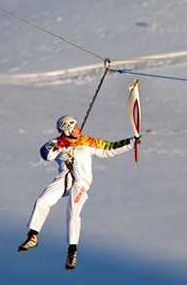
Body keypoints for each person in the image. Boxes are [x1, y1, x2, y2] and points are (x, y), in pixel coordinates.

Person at [18, 115, 141, 271]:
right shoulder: (59, 144)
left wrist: (131, 142)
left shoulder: (87, 142)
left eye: (77, 126)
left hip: (81, 183)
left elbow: (110, 148)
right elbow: (45, 154)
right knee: (42, 201)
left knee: (73, 211)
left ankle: (72, 250)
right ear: (67, 131)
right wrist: (56, 144)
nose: (78, 129)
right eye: (74, 127)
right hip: (64, 179)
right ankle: (33, 236)